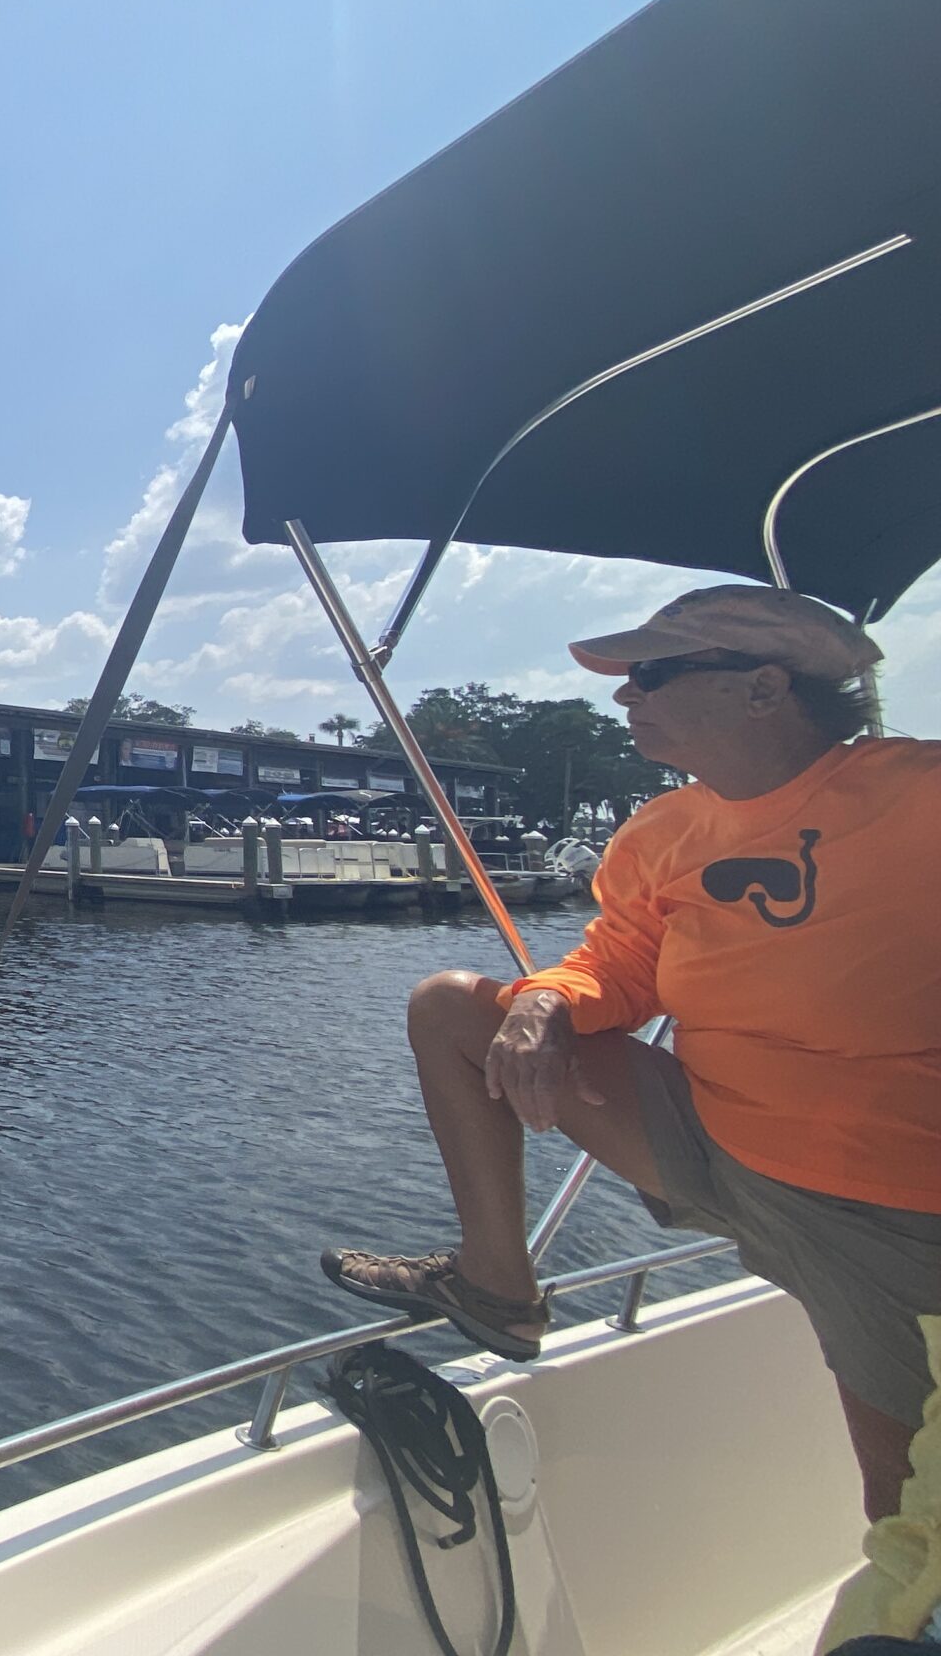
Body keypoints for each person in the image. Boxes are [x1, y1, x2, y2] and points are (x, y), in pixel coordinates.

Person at [323, 583, 941, 1522]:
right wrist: (543, 1001)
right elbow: (617, 963)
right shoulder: (664, 833)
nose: (624, 697)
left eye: (650, 675)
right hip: (714, 1140)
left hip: (885, 1193)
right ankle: (498, 1285)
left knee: (904, 1505)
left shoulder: (919, 795)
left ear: (765, 688)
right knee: (453, 1009)